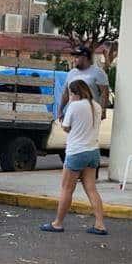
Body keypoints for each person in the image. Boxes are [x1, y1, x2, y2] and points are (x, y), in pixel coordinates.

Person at [41, 80, 108, 236]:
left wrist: (69, 104)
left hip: (76, 152)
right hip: (93, 152)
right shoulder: (96, 106)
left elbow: (66, 126)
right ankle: (100, 224)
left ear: (75, 93)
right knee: (91, 189)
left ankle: (57, 223)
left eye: (70, 93)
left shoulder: (74, 106)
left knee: (66, 189)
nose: (69, 96)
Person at [59, 46, 110, 119]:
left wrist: (103, 110)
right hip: (72, 113)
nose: (74, 60)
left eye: (77, 57)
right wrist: (60, 110)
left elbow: (104, 93)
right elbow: (66, 93)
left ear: (85, 57)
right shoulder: (71, 73)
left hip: (90, 114)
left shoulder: (98, 72)